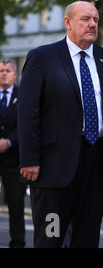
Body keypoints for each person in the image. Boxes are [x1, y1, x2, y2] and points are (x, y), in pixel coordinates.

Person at [18, 1, 103, 248]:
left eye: (96, 20)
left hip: (97, 162)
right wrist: (29, 159)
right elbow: (28, 112)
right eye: (85, 19)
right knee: (50, 239)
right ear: (67, 22)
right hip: (52, 166)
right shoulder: (42, 57)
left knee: (87, 238)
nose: (92, 24)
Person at [0, 59, 26, 248]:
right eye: (1, 70)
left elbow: (26, 124)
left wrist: (9, 141)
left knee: (15, 205)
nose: (4, 74)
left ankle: (17, 242)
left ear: (15, 74)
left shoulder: (23, 95)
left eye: (8, 70)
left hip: (14, 158)